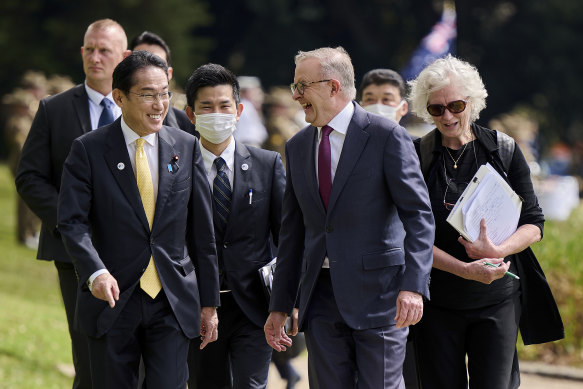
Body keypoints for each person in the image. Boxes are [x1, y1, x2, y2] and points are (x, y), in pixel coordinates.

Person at [264, 46, 435, 389]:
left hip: (381, 297)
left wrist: (414, 287)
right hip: (321, 300)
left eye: (302, 86)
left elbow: (418, 216)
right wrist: (280, 304)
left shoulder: (387, 136)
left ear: (333, 86)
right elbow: (292, 232)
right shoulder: (297, 146)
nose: (296, 96)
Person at [57, 50, 220, 388]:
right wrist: (95, 271)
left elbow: (202, 233)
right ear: (119, 97)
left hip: (172, 299)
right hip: (112, 299)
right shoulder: (88, 150)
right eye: (148, 95)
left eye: (165, 93)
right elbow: (72, 222)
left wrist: (209, 303)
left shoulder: (187, 146)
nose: (160, 104)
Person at [408, 54, 562, 388]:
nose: (447, 116)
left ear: (473, 102)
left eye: (456, 105)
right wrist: (464, 268)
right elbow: (407, 236)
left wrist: (498, 248)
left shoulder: (503, 149)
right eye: (436, 109)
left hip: (497, 298)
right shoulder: (415, 155)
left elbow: (534, 222)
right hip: (437, 300)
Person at [15, 19, 131, 389]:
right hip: (74, 254)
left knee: (134, 354)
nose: (95, 57)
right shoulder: (54, 109)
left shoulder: (141, 110)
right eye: (89, 49)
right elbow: (29, 177)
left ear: (124, 57)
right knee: (88, 355)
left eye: (104, 50)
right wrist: (69, 221)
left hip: (134, 252)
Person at [184, 63, 285, 389]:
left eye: (224, 105)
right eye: (206, 107)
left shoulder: (266, 165)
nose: (217, 114)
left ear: (239, 110)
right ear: (190, 114)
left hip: (253, 306)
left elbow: (285, 237)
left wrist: (287, 301)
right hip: (196, 305)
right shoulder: (176, 168)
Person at [129, 30, 198, 137]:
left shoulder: (188, 126)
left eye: (158, 65)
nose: (150, 72)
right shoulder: (112, 115)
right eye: (141, 64)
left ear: (169, 74)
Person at [2, 88, 41, 248]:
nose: (27, 108)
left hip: (30, 165)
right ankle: (24, 236)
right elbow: (20, 145)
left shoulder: (27, 119)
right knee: (25, 204)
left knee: (34, 203)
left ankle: (32, 232)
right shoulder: (16, 123)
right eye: (24, 106)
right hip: (21, 166)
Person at [232, 76, 269, 148]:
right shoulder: (245, 106)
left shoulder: (248, 107)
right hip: (247, 144)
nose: (259, 94)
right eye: (254, 91)